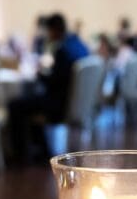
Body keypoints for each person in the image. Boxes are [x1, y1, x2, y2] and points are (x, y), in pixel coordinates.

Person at [9, 13, 90, 163]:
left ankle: (20, 155)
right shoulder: (80, 46)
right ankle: (41, 148)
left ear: (53, 30)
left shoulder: (63, 50)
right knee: (31, 101)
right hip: (77, 103)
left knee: (15, 106)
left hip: (60, 104)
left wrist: (39, 73)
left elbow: (54, 82)